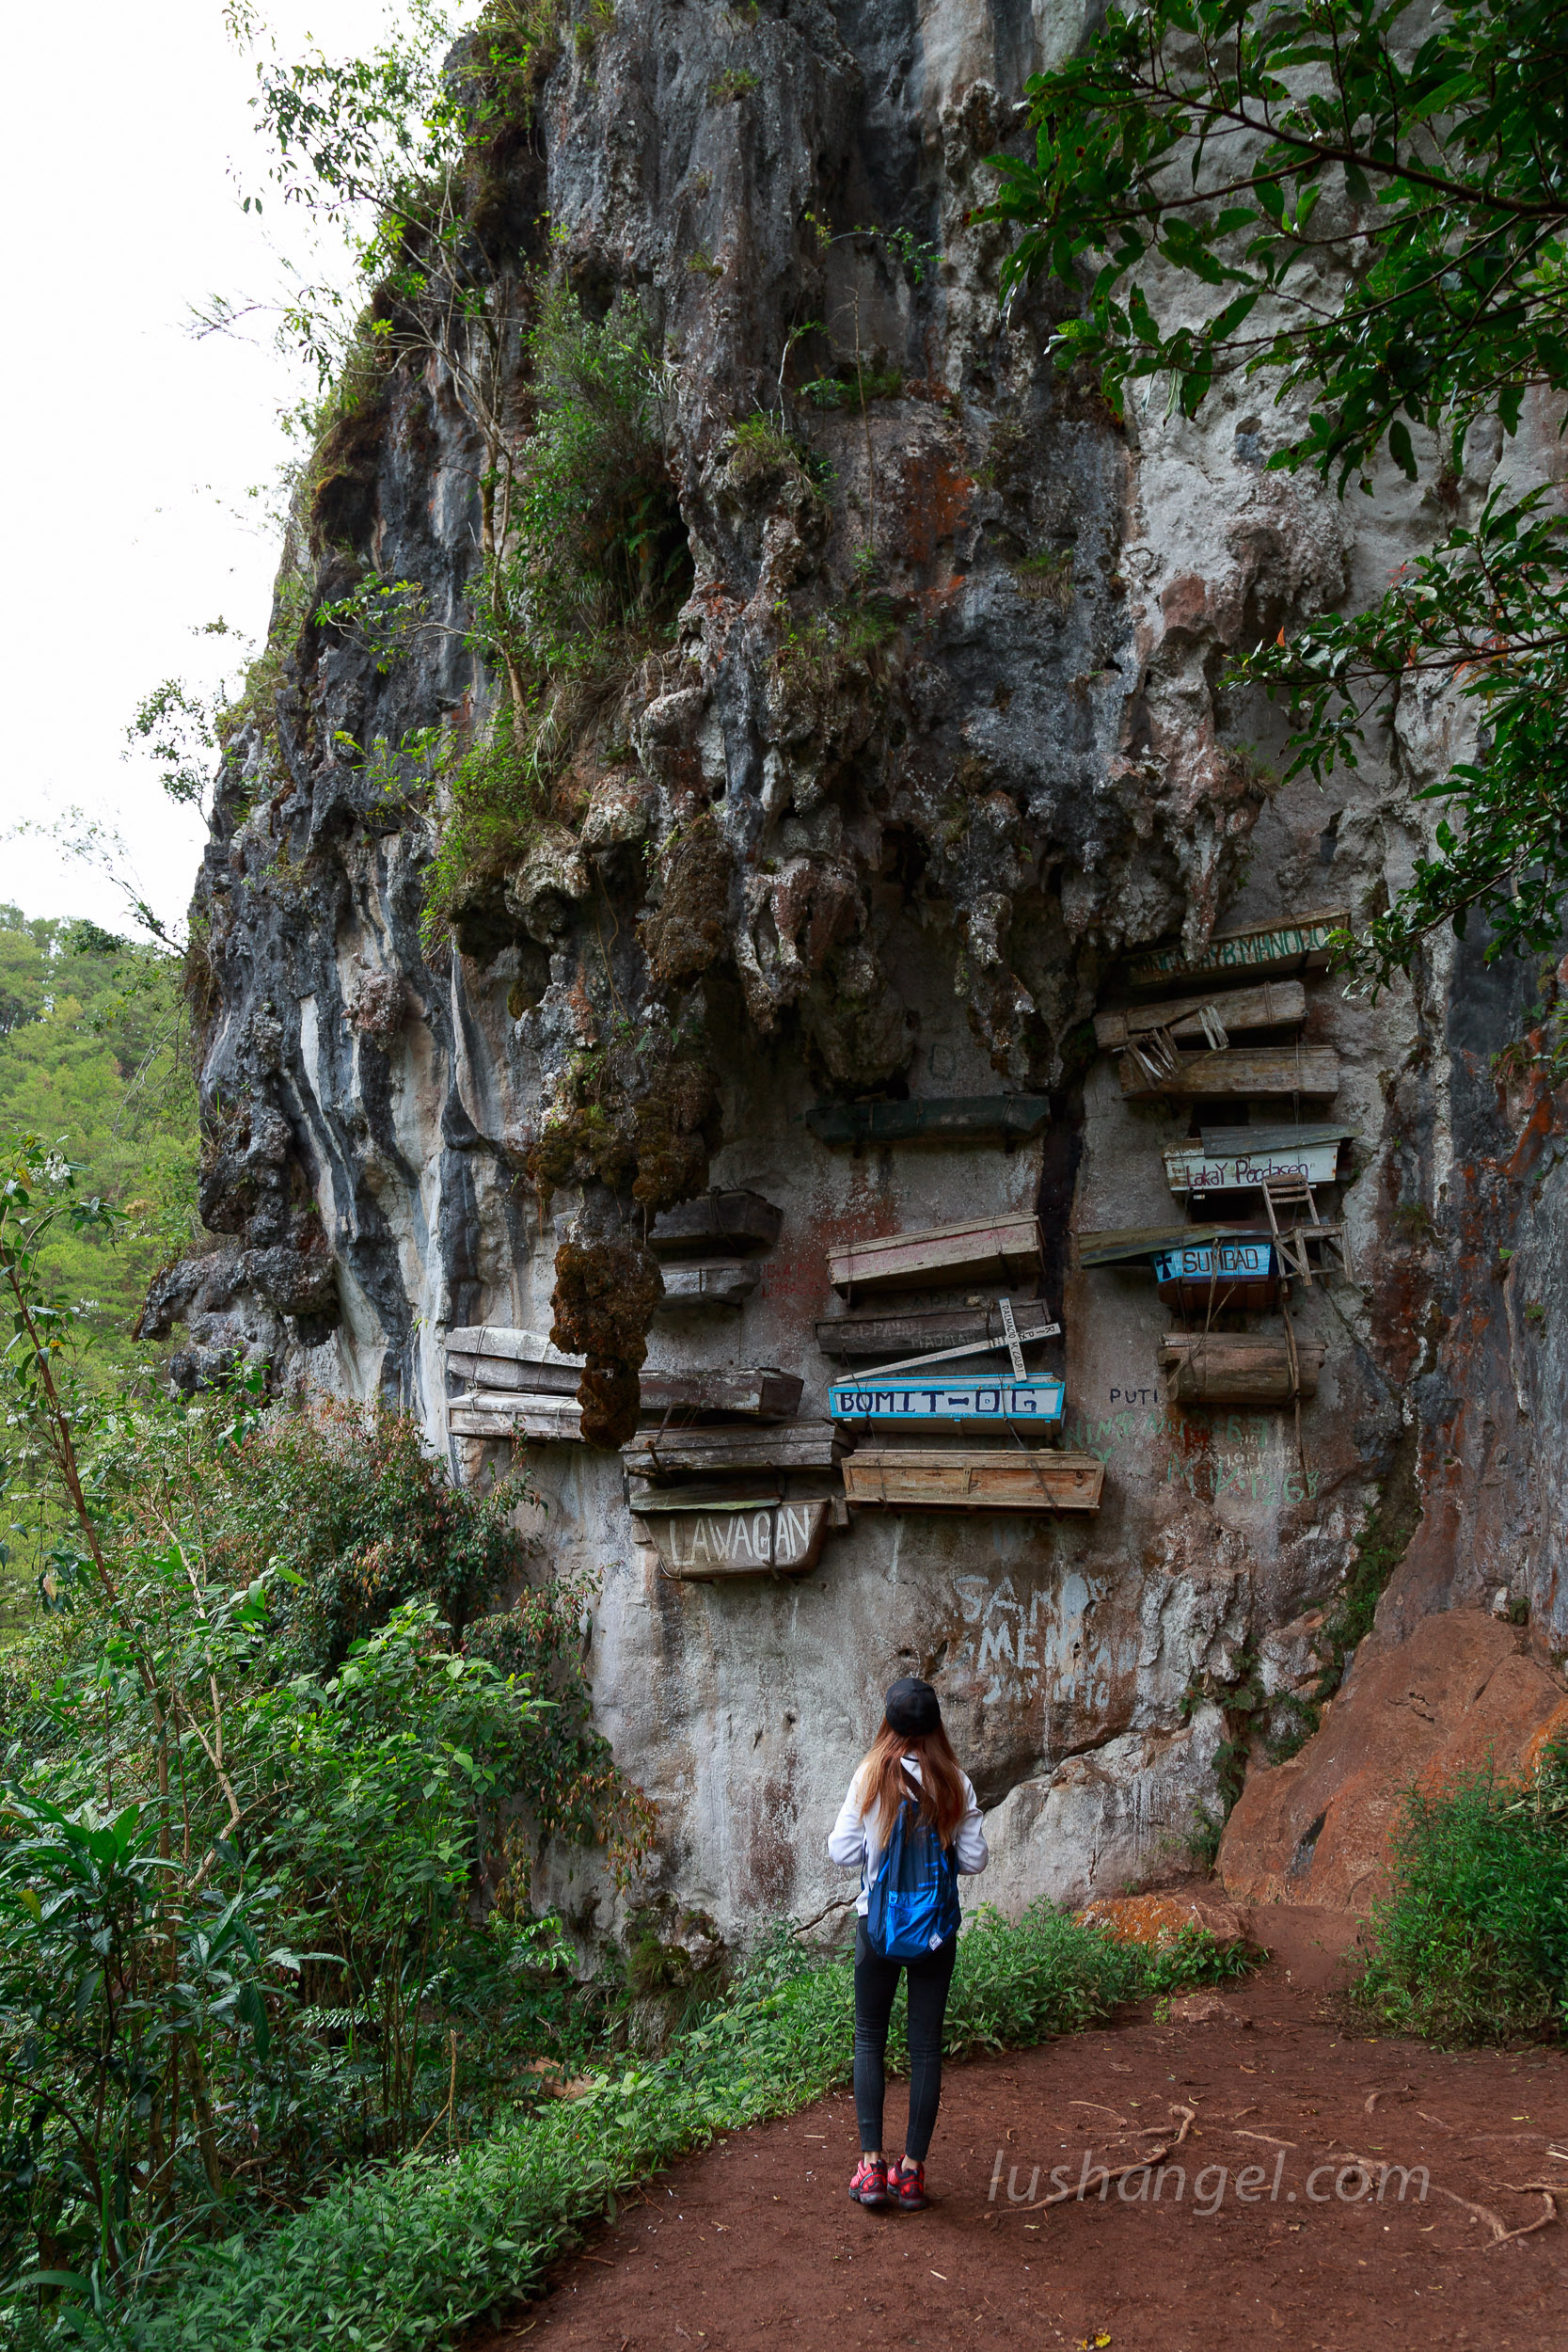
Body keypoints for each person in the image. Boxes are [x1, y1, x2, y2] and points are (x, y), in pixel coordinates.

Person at [827, 1676, 988, 2211]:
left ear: (889, 1724)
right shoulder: (954, 1783)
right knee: (925, 2049)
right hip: (936, 1933)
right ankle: (912, 2173)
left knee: (869, 2038)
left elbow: (842, 1851)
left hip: (877, 1926)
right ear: (936, 1724)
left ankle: (871, 2169)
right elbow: (974, 1860)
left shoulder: (871, 1776)